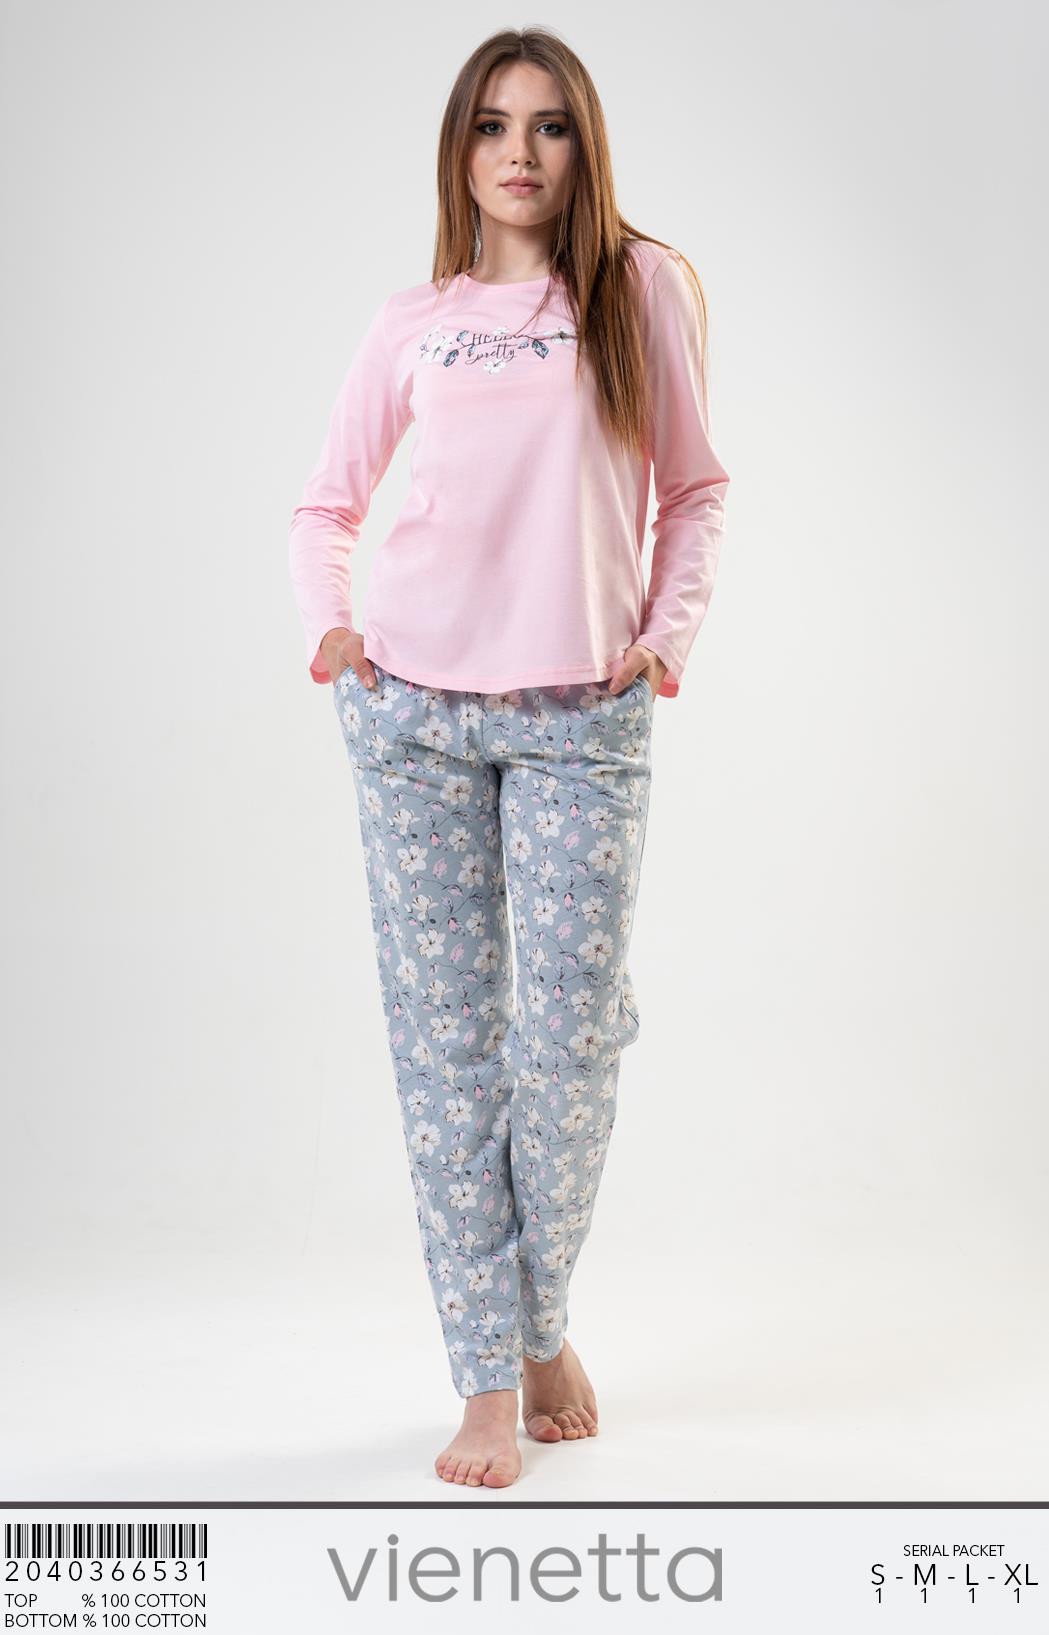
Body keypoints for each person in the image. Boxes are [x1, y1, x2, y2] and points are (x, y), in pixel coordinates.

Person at [288, 26, 730, 1490]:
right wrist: (333, 632)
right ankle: (492, 1374)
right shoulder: (411, 320)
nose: (520, 152)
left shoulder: (639, 287)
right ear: (460, 151)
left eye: (547, 125)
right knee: (446, 1060)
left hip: (578, 720)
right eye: (492, 125)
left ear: (582, 144)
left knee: (568, 1040)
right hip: (411, 715)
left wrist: (663, 637)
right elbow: (327, 505)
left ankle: (537, 1318)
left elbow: (693, 488)